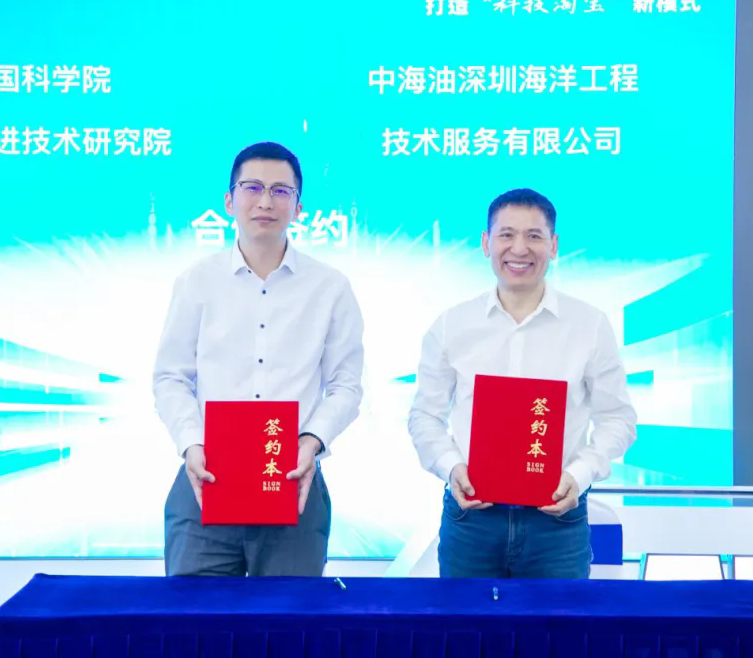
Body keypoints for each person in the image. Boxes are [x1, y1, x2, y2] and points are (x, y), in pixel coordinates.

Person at [152, 141, 364, 576]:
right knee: (194, 617)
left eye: (280, 191)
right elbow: (171, 377)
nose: (265, 201)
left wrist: (312, 441)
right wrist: (192, 443)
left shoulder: (330, 287)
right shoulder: (197, 281)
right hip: (206, 480)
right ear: (229, 201)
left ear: (299, 208)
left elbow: (346, 384)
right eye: (252, 188)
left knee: (287, 618)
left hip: (293, 481)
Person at [407, 188, 637, 579]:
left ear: (554, 245)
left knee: (558, 622)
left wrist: (578, 476)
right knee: (467, 621)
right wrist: (451, 467)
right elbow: (424, 416)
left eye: (534, 236)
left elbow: (618, 419)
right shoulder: (452, 325)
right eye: (506, 235)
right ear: (486, 243)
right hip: (472, 521)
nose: (519, 249)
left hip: (556, 525)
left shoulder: (589, 325)